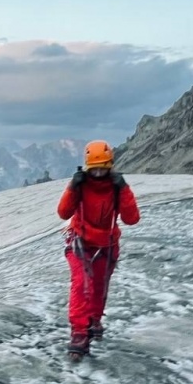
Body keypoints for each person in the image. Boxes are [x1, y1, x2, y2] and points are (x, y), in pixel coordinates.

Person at [56, 140, 140, 361]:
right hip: (80, 242)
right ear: (87, 167)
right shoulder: (81, 185)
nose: (100, 172)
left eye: (104, 167)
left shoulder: (115, 187)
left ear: (111, 165)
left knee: (99, 286)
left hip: (107, 244)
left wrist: (124, 189)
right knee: (82, 283)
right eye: (95, 168)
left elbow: (131, 219)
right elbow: (64, 213)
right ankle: (79, 332)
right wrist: (71, 188)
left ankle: (93, 319)